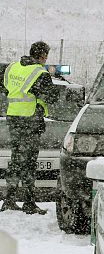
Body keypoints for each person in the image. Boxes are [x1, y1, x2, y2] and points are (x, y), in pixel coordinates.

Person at [1, 41, 60, 214]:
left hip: (13, 118)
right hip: (30, 120)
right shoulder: (40, 72)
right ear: (43, 56)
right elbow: (52, 97)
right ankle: (28, 202)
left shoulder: (13, 67)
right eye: (46, 56)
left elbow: (6, 89)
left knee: (16, 157)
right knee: (29, 161)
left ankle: (9, 199)